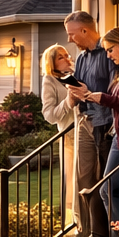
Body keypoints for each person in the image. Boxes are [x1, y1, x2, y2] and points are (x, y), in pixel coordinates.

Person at [77, 28, 119, 231]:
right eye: (106, 51)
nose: (108, 55)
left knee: (107, 188)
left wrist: (103, 98)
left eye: (110, 50)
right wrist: (90, 95)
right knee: (112, 189)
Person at [63, 11, 117, 237]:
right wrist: (74, 91)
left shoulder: (108, 54)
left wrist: (89, 91)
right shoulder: (82, 57)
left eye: (72, 34)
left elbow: (115, 88)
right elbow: (82, 87)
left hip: (103, 122)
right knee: (85, 178)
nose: (70, 40)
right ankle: (88, 231)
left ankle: (106, 235)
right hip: (84, 120)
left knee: (101, 180)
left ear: (84, 31)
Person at [40, 43, 79, 227]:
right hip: (69, 138)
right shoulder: (50, 80)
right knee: (70, 183)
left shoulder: (78, 73)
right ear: (52, 63)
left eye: (66, 55)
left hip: (88, 133)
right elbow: (49, 115)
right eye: (60, 57)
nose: (67, 59)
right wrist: (68, 103)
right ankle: (70, 226)